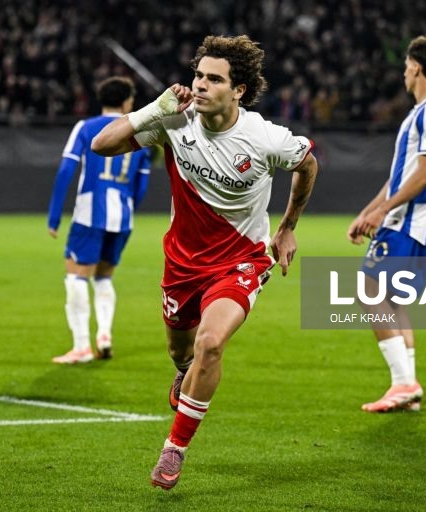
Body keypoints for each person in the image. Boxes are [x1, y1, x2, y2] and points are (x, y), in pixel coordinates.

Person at [92, 35, 318, 489]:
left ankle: (173, 450)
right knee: (181, 352)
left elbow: (307, 164)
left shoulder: (263, 137)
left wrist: (288, 225)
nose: (200, 85)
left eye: (214, 79)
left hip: (242, 260)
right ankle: (183, 375)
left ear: (238, 90)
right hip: (182, 264)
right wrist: (152, 110)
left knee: (210, 344)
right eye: (198, 75)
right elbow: (102, 144)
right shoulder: (175, 121)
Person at [347, 36, 426, 413]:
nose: (403, 72)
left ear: (417, 68)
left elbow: (425, 173)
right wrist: (370, 210)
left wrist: (385, 211)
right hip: (404, 219)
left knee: (368, 290)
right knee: (391, 300)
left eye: (406, 65)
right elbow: (401, 176)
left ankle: (401, 381)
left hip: (410, 222)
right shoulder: (422, 113)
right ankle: (409, 388)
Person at [47, 76, 152, 363]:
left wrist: (55, 216)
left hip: (89, 214)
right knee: (104, 277)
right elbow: (141, 186)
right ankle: (104, 334)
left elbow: (66, 170)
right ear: (126, 101)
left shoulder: (85, 127)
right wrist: (129, 209)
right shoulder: (140, 133)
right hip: (123, 217)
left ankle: (81, 346)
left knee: (76, 276)